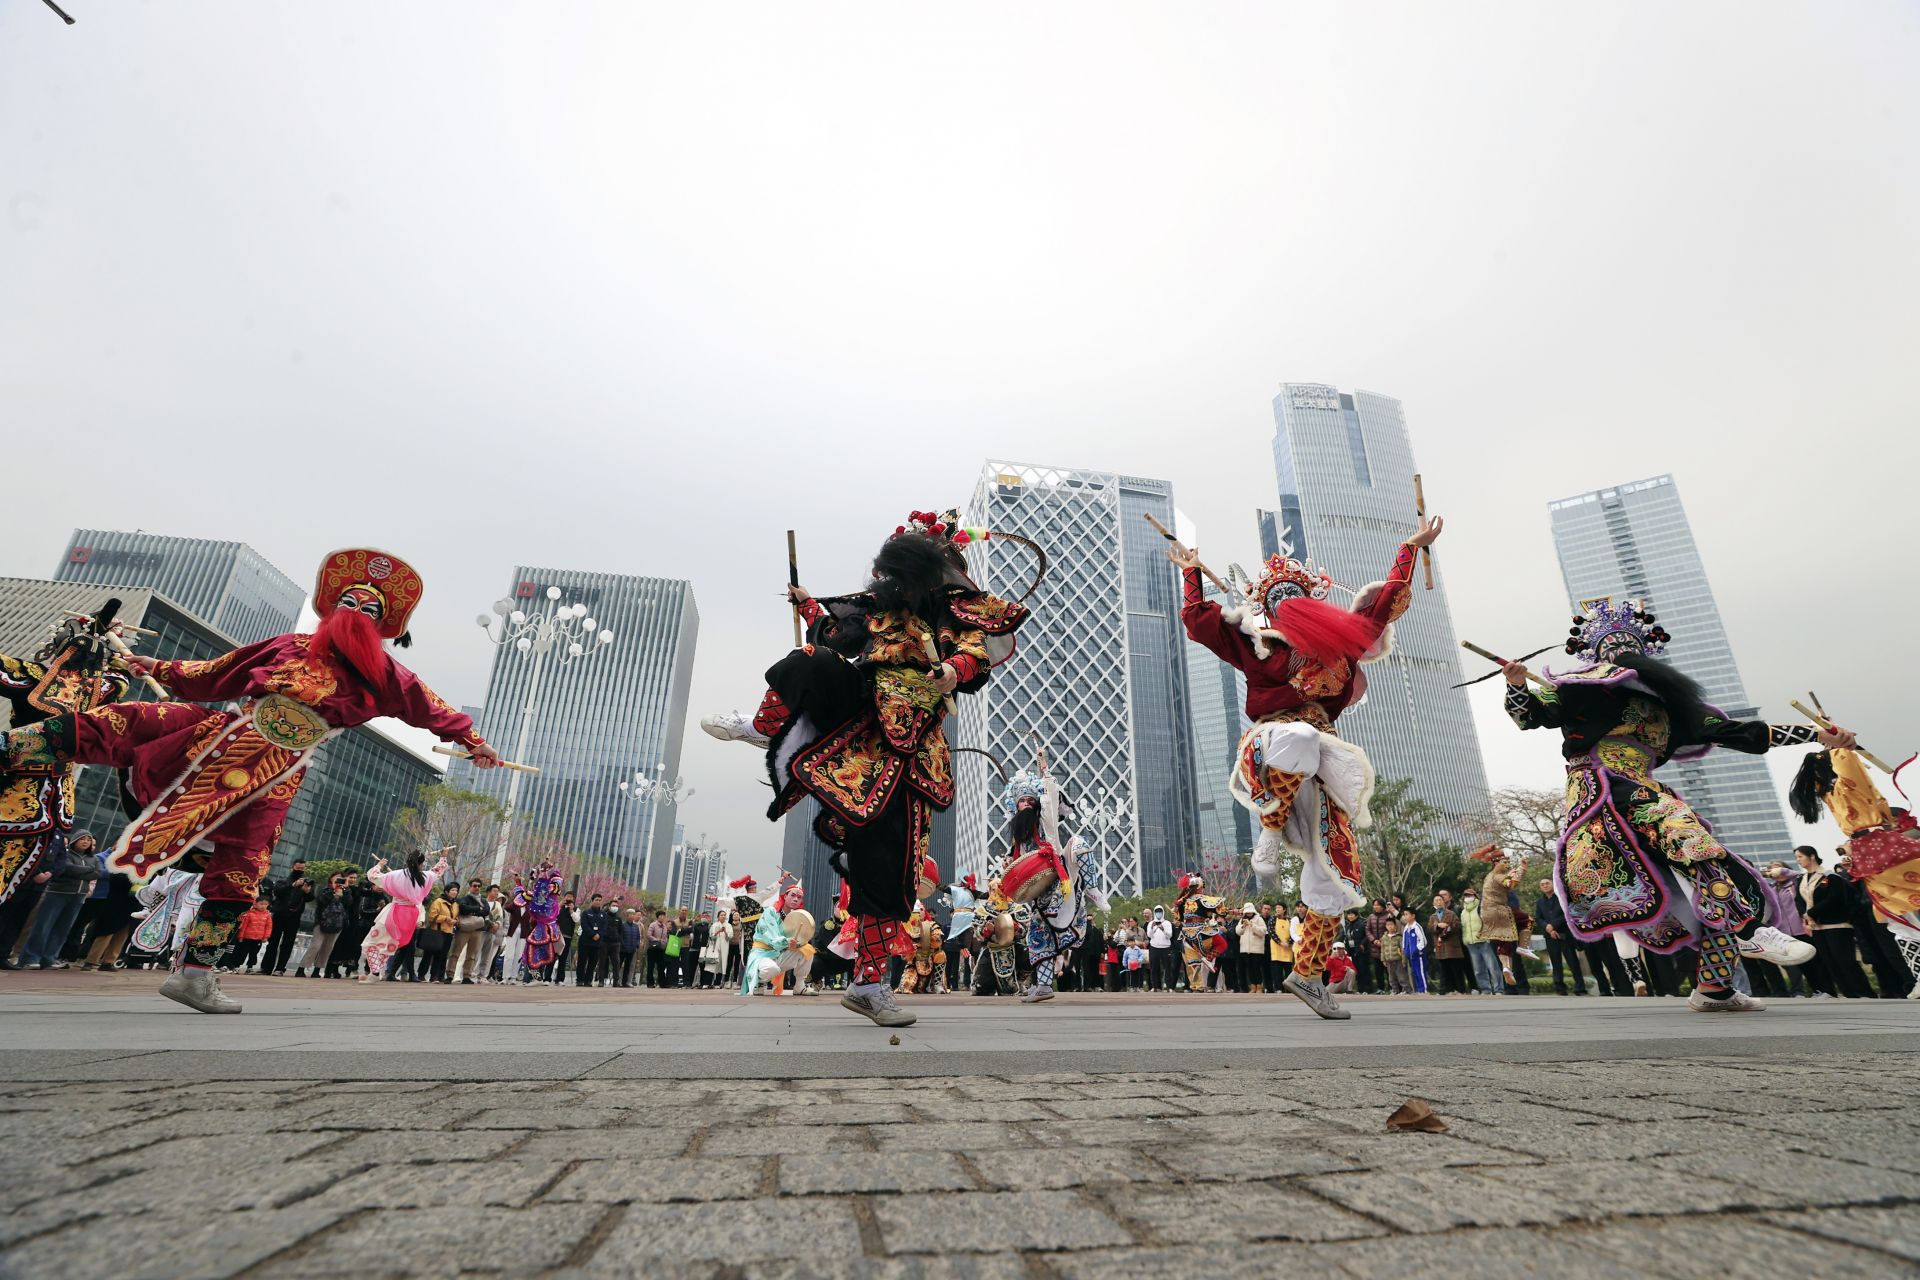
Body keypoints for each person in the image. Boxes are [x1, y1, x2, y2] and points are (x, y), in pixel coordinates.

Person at [0, 550, 498, 1013]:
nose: (355, 612)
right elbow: (216, 673)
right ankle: (10, 747)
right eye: (348, 602)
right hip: (222, 733)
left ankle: (194, 975)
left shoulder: (387, 675)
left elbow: (435, 710)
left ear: (380, 627)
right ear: (331, 611)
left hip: (276, 773)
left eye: (368, 610)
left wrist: (475, 743)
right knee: (133, 719)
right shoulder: (288, 646)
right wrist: (156, 667)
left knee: (242, 868)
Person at [701, 509, 1033, 1028]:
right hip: (862, 714)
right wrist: (807, 604)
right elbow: (836, 629)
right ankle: (765, 727)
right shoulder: (880, 608)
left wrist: (952, 670)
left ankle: (869, 984)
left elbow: (974, 653)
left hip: (914, 752)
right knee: (811, 659)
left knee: (892, 875)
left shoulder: (956, 610)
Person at [1502, 597, 1837, 1012]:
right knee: (1679, 823)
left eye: (1630, 647)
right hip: (1601, 785)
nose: (1623, 653)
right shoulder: (1579, 689)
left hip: (1643, 787)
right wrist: (1517, 685)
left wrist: (1816, 735)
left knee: (1722, 871)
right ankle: (1749, 930)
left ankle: (1714, 988)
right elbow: (1531, 715)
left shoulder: (1669, 706)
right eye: (1615, 647)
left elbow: (1741, 733)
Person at [1175, 517, 1444, 1019]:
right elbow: (1199, 622)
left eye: (1295, 596)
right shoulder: (1258, 645)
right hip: (1271, 746)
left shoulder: (1339, 641)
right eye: (1279, 599)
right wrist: (1192, 571)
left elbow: (1383, 606)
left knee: (1337, 874)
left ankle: (1309, 975)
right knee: (1300, 736)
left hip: (1322, 760)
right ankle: (1270, 832)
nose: (1289, 605)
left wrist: (1409, 548)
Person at [0, 605, 133, 917]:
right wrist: (115, 645)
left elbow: (121, 677)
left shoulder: (40, 678)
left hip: (37, 794)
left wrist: (111, 641)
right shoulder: (95, 689)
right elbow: (121, 677)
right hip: (35, 792)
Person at [1789, 745, 1920, 996]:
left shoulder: (1835, 791)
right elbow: (1845, 763)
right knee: (1898, 916)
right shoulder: (1842, 789)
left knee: (1899, 916)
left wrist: (1834, 748)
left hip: (1875, 850)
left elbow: (1841, 764)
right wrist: (1837, 746)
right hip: (1876, 849)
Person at [997, 749, 1104, 1004]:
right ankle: (1044, 986)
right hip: (1039, 893)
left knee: (1078, 842)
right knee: (1037, 936)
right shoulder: (1018, 838)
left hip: (1061, 877)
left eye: (1029, 800)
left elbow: (1050, 793)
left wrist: (1043, 766)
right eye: (1021, 801)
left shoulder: (1046, 819)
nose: (1026, 803)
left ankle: (1092, 889)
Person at [1795, 846, 1873, 997]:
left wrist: (1811, 912)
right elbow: (1798, 900)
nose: (1798, 860)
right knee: (1829, 961)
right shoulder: (1801, 879)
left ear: (1812, 856)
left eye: (1800, 856)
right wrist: (1805, 915)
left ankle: (1863, 992)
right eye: (1797, 857)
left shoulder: (1830, 876)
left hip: (1836, 924)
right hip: (1815, 926)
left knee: (1844, 959)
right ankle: (1847, 993)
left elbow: (1834, 898)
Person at [359, 851, 450, 981]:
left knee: (373, 942)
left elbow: (372, 876)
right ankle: (376, 972)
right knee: (390, 943)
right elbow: (438, 870)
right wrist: (443, 856)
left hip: (394, 912)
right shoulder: (425, 876)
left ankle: (375, 972)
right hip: (411, 915)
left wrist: (379, 865)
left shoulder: (396, 874)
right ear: (422, 863)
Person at [18, 830, 100, 969]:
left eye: (88, 839)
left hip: (78, 896)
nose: (86, 842)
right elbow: (67, 868)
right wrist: (88, 869)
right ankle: (30, 957)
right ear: (75, 840)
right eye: (82, 839)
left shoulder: (93, 859)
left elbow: (97, 873)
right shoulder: (66, 854)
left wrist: (82, 871)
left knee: (62, 929)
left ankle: (49, 959)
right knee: (43, 926)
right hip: (58, 893)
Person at [1533, 878, 1587, 996]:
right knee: (1555, 963)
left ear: (1553, 884)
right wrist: (1547, 927)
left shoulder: (1562, 898)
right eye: (1542, 884)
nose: (1545, 885)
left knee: (1573, 962)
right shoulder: (1540, 902)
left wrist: (1553, 925)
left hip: (1565, 935)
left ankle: (1580, 988)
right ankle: (1560, 989)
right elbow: (1538, 918)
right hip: (1550, 936)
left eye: (1547, 883)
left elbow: (1566, 913)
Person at [295, 871, 349, 978]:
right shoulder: (324, 889)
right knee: (315, 946)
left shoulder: (345, 891)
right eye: (335, 878)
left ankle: (317, 970)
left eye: (340, 878)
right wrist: (333, 891)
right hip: (321, 923)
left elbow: (349, 903)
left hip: (337, 924)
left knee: (328, 948)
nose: (337, 880)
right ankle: (301, 968)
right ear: (331, 878)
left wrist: (344, 891)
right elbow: (321, 901)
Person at [263, 860, 311, 977]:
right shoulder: (282, 881)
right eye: (298, 868)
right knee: (273, 942)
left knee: (287, 944)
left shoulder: (306, 884)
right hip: (279, 915)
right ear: (292, 867)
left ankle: (280, 968)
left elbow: (310, 898)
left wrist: (307, 892)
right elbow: (277, 892)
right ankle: (266, 968)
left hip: (294, 917)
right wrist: (293, 885)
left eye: (302, 868)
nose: (300, 870)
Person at [1428, 894, 1468, 994]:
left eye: (1440, 900)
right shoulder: (1432, 917)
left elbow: (1457, 926)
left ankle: (1460, 990)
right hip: (1440, 947)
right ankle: (1446, 990)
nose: (1438, 902)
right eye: (1436, 900)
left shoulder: (1451, 913)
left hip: (1452, 946)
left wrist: (1447, 927)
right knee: (1444, 970)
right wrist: (1437, 926)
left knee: (1456, 969)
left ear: (1444, 902)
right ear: (1433, 904)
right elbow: (1429, 928)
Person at [1459, 886, 1495, 994]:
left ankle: (1499, 989)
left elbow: (1489, 923)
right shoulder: (1463, 912)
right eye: (1466, 895)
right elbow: (1464, 928)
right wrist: (1465, 941)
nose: (1467, 897)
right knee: (1478, 970)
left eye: (1470, 895)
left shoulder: (1481, 908)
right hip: (1471, 943)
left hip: (1484, 941)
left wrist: (1487, 936)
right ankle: (1485, 990)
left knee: (1492, 967)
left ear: (1475, 896)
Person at [229, 895, 274, 973]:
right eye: (261, 904)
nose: (263, 906)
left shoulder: (267, 915)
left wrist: (266, 937)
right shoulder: (249, 914)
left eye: (265, 904)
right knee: (242, 953)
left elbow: (269, 927)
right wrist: (241, 936)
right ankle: (237, 966)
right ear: (255, 904)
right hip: (247, 938)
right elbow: (244, 925)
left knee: (254, 954)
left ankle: (250, 967)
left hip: (258, 939)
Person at [1236, 903, 1269, 993]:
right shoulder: (1242, 919)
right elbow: (1238, 932)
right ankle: (1253, 986)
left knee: (1256, 968)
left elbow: (1263, 931)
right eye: (1247, 912)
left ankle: (1259, 986)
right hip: (1245, 949)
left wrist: (1251, 925)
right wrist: (1243, 926)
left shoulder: (1259, 919)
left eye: (1250, 912)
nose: (1249, 913)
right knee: (1249, 968)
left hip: (1256, 949)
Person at [1399, 909, 1428, 994]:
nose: (1405, 916)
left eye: (1407, 914)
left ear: (1413, 916)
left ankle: (1424, 990)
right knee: (1415, 973)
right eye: (1404, 915)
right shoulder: (1406, 928)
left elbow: (1423, 941)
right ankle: (1419, 990)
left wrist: (1417, 949)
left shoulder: (1417, 927)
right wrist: (1405, 950)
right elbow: (1404, 941)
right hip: (1410, 956)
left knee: (1420, 972)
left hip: (1418, 955)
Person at [1379, 913, 1408, 994]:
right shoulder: (1384, 937)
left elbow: (1402, 949)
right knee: (1391, 977)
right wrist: (1383, 959)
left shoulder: (1399, 937)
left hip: (1398, 959)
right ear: (1385, 926)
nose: (1390, 926)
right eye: (1388, 925)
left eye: (1391, 924)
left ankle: (1406, 989)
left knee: (1401, 975)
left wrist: (1404, 960)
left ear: (1395, 926)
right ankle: (1395, 990)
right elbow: (1382, 949)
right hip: (1388, 960)